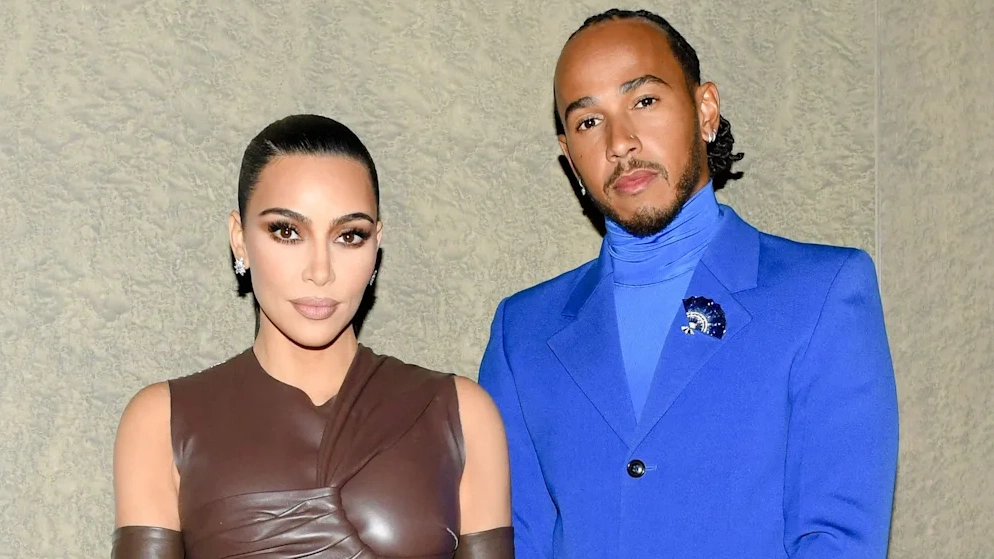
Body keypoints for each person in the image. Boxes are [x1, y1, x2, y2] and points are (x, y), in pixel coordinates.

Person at [477, 8, 899, 558]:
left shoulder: (823, 293)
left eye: (644, 101)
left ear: (705, 111)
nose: (620, 141)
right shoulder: (522, 333)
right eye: (588, 122)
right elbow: (516, 538)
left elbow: (839, 540)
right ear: (570, 158)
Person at [112, 114, 514, 558]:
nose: (320, 271)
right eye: (287, 232)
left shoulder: (462, 414)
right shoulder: (161, 422)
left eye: (349, 236)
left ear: (376, 244)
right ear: (239, 239)